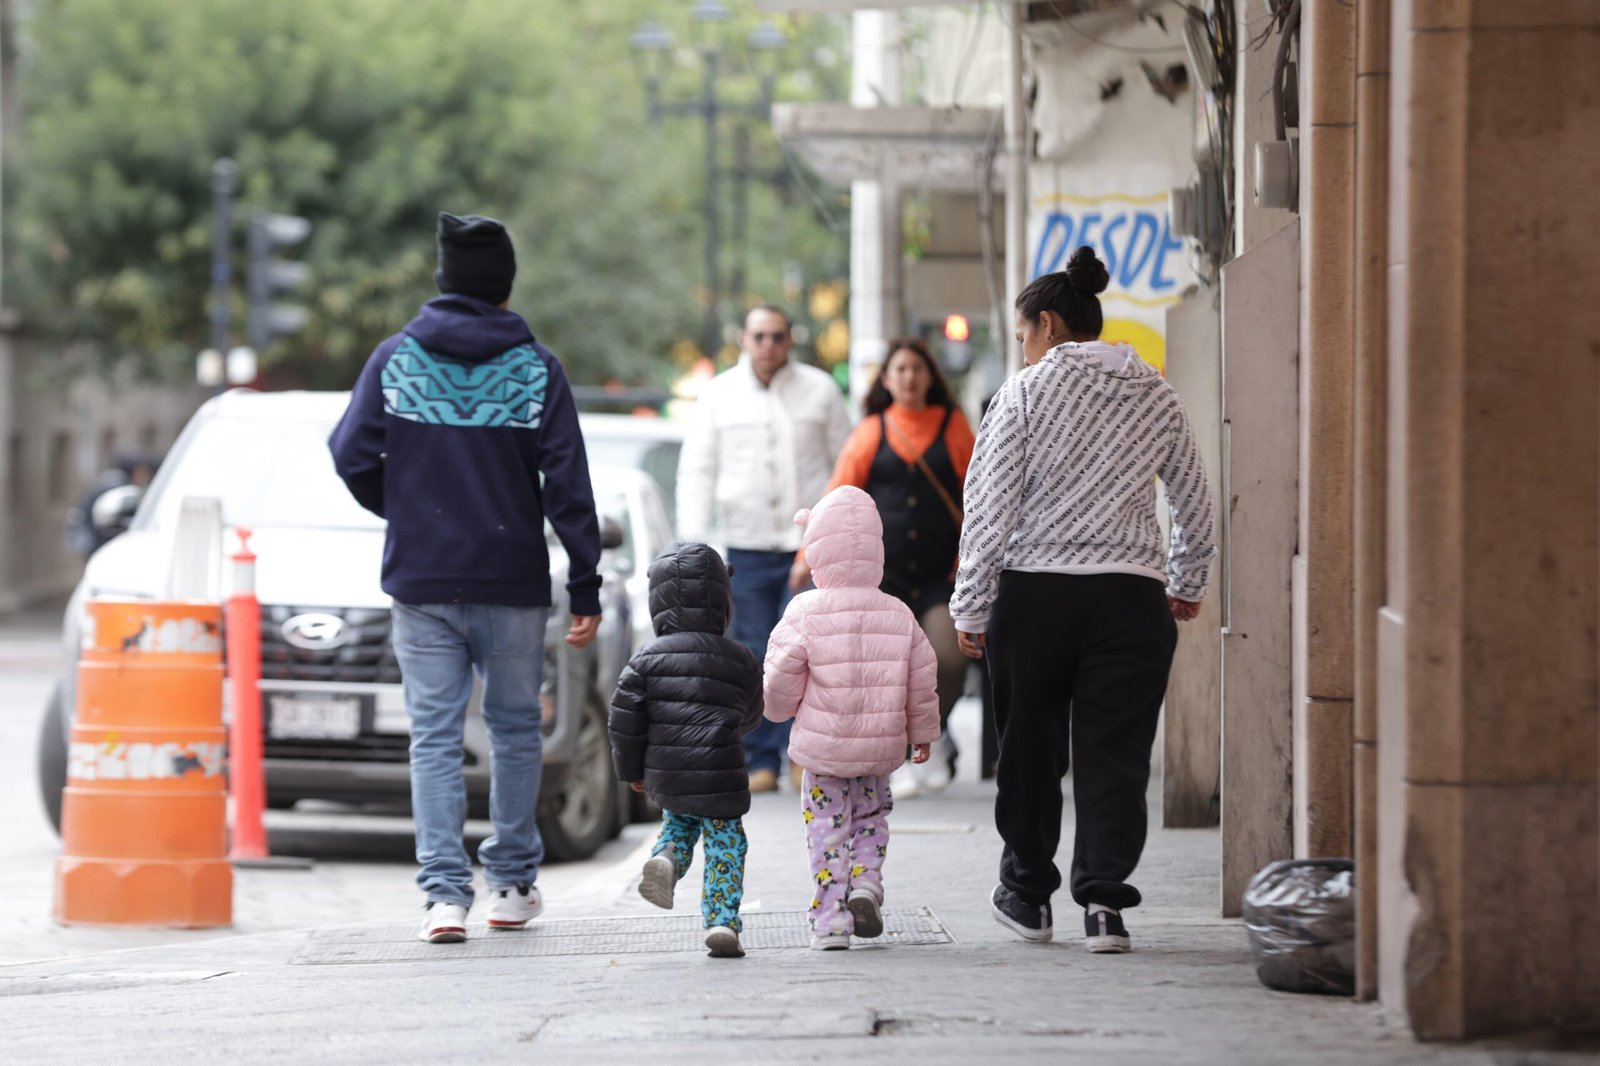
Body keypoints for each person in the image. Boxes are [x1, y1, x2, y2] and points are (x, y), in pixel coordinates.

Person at [329, 211, 602, 945]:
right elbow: (568, 483)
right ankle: (509, 886)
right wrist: (585, 583)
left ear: (444, 280)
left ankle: (444, 897)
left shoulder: (396, 359)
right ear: (505, 286)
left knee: (434, 737)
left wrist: (406, 510)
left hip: (421, 582)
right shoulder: (536, 367)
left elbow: (350, 453)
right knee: (514, 731)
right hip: (512, 580)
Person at [952, 246, 1215, 955]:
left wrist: (971, 605)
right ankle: (1104, 905)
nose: (1024, 351)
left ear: (1047, 324)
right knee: (1116, 757)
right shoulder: (1154, 391)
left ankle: (1028, 894)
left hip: (1036, 597)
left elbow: (989, 507)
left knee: (1029, 752)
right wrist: (1185, 582)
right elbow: (1194, 497)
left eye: (1023, 337)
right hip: (1131, 599)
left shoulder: (1024, 394)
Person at [677, 305, 851, 793]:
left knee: (810, 652)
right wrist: (696, 545)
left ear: (790, 339)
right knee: (754, 652)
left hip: (809, 546)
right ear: (743, 339)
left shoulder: (820, 389)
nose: (768, 345)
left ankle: (804, 754)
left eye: (777, 336)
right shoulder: (718, 395)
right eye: (759, 336)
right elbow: (697, 471)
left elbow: (845, 464)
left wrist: (837, 531)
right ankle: (761, 760)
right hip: (747, 545)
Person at [763, 486, 940, 950]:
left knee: (826, 829)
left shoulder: (804, 611)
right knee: (871, 819)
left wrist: (778, 712)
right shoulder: (898, 613)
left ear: (817, 549)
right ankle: (865, 885)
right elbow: (922, 677)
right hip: (879, 750)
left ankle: (830, 923)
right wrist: (922, 732)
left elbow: (780, 677)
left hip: (823, 752)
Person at [803, 337, 976, 798]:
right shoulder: (871, 429)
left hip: (942, 575)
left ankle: (933, 735)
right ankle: (897, 755)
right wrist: (808, 556)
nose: (909, 377)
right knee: (884, 668)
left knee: (949, 658)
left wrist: (972, 559)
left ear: (930, 376)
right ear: (886, 379)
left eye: (917, 368)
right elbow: (838, 494)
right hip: (882, 577)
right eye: (900, 369)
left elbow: (977, 493)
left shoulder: (953, 425)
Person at [608, 541, 765, 959]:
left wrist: (632, 772)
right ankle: (722, 921)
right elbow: (753, 711)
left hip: (668, 770)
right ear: (722, 599)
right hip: (722, 770)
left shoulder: (645, 659)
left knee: (679, 825)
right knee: (725, 842)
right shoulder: (740, 657)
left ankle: (668, 857)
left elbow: (624, 721)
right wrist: (736, 728)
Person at [65, 450, 160, 558]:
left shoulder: (116, 479)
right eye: (141, 471)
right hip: (96, 538)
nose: (144, 476)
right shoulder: (116, 484)